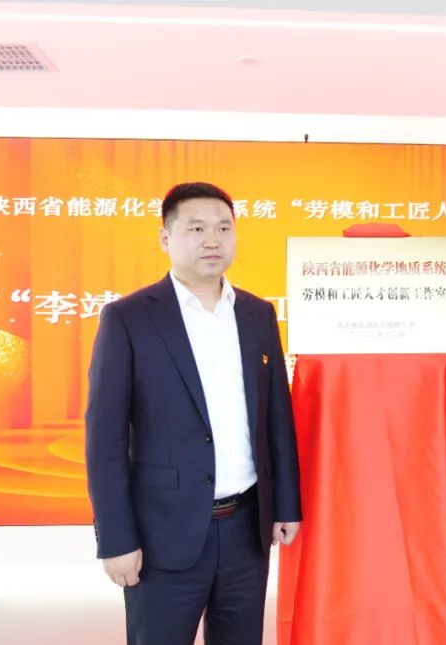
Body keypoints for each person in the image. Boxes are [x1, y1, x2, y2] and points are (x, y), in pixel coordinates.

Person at [85, 181, 302, 644]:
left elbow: (276, 419)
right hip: (163, 535)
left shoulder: (257, 314)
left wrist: (285, 504)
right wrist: (116, 539)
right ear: (166, 238)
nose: (212, 240)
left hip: (246, 530)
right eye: (196, 228)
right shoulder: (128, 318)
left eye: (223, 228)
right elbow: (104, 440)